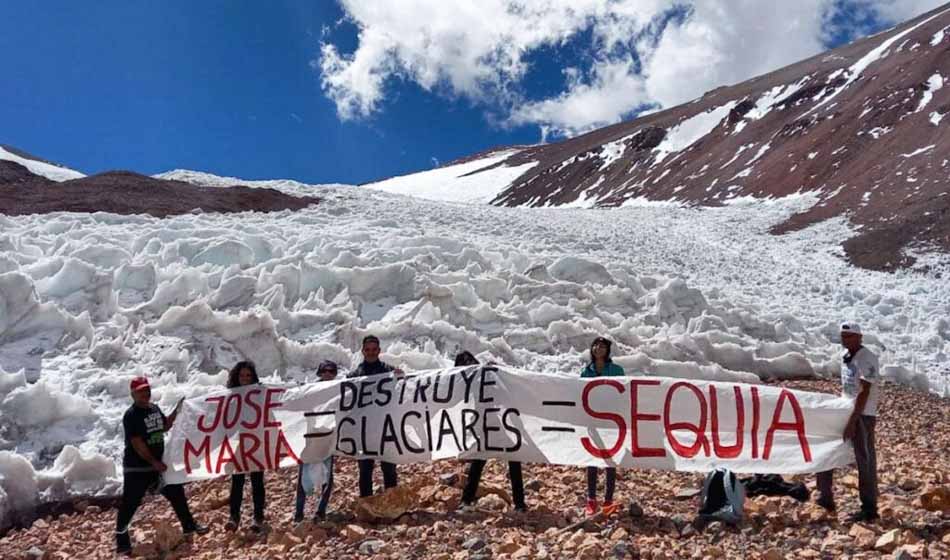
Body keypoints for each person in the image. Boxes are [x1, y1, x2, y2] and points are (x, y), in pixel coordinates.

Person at [115, 376, 208, 555]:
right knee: (130, 504)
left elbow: (164, 426)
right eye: (140, 391)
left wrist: (177, 412)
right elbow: (136, 443)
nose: (145, 393)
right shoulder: (132, 415)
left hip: (157, 467)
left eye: (147, 389)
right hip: (138, 469)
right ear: (133, 394)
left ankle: (189, 525)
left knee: (176, 492)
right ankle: (122, 542)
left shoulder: (154, 409)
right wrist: (153, 462)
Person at [816, 322, 881, 522]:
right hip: (844, 409)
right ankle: (825, 496)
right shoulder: (846, 356)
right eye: (844, 336)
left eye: (850, 336)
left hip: (862, 414)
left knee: (864, 458)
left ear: (860, 337)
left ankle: (869, 508)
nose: (846, 339)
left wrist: (853, 420)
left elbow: (865, 391)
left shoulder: (867, 358)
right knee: (827, 447)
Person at [457, 351, 527, 512]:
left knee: (512, 461)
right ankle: (466, 500)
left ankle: (520, 503)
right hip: (487, 427)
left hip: (502, 424)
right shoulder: (466, 381)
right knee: (479, 463)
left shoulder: (489, 373)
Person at [348, 335, 404, 497]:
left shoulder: (389, 371)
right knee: (365, 471)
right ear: (363, 351)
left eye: (374, 350)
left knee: (389, 469)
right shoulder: (354, 376)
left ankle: (392, 503)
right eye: (368, 350)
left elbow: (404, 392)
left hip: (385, 429)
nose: (371, 353)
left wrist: (401, 377)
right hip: (364, 432)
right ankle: (367, 505)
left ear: (379, 350)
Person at [581, 337, 625, 516]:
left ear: (608, 350)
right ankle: (591, 499)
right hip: (593, 420)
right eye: (595, 346)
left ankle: (608, 499)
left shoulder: (617, 370)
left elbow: (624, 393)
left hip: (611, 421)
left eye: (602, 346)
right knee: (591, 459)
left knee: (609, 460)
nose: (598, 348)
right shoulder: (586, 371)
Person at [294, 360, 339, 523]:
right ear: (319, 373)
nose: (328, 374)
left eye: (331, 371)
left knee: (328, 477)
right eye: (325, 371)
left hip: (328, 438)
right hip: (310, 439)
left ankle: (320, 511)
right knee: (303, 478)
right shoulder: (309, 391)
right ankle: (298, 514)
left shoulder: (338, 390)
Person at [224, 361, 266, 532]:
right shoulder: (230, 396)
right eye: (242, 375)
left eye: (248, 375)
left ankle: (258, 517)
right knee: (237, 482)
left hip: (255, 443)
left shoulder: (259, 393)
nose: (245, 379)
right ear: (236, 376)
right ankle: (234, 517)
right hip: (237, 444)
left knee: (257, 481)